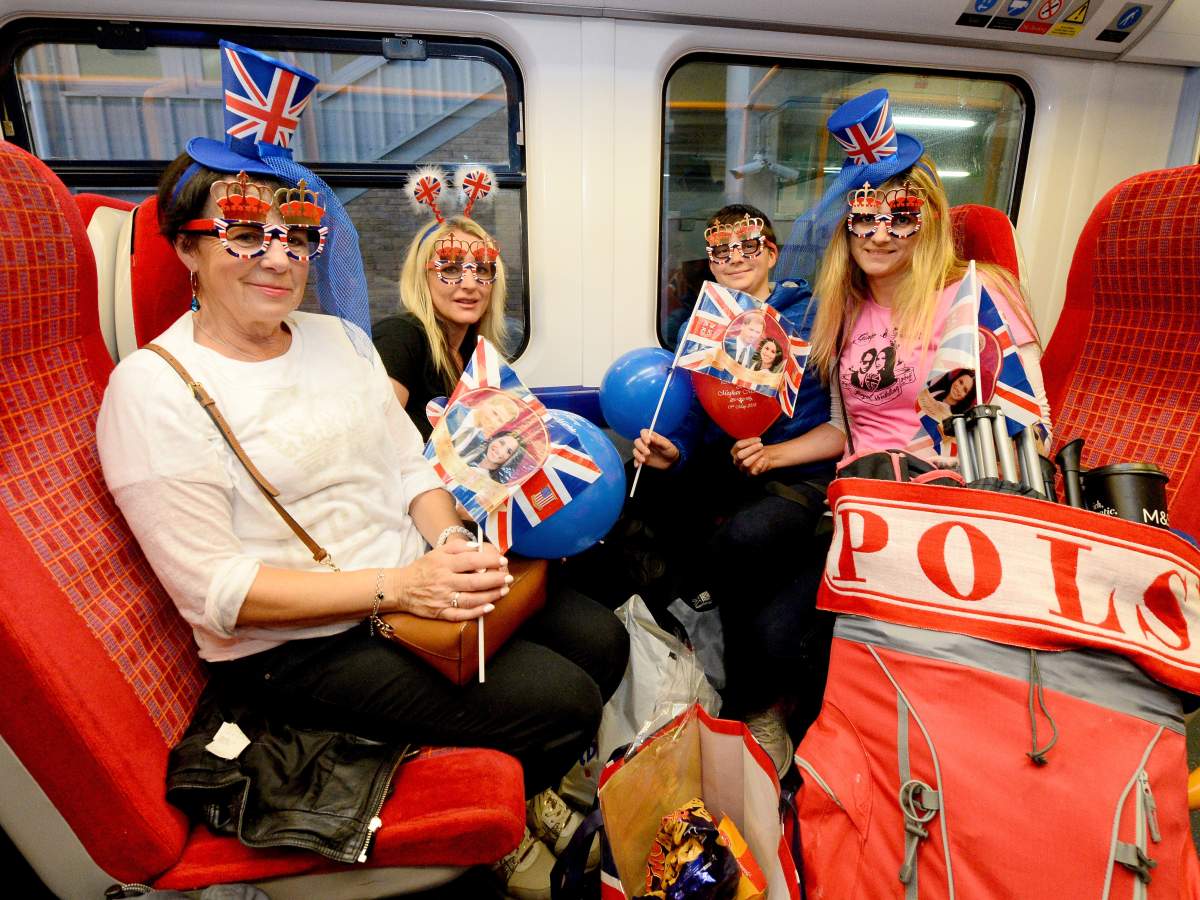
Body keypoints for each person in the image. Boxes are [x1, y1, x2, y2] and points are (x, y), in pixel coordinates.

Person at [95, 44, 625, 900]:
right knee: (561, 699)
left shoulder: (338, 339)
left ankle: (525, 784)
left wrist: (451, 544)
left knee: (605, 636)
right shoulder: (152, 390)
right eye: (242, 232)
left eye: (296, 234)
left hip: (410, 581)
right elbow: (216, 593)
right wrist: (403, 587)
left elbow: (409, 462)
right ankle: (508, 829)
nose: (277, 257)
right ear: (186, 249)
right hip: (302, 645)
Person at [742, 87, 1051, 477]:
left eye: (901, 219)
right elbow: (845, 428)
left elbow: (1035, 426)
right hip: (860, 487)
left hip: (941, 491)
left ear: (928, 226)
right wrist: (770, 455)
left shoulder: (978, 294)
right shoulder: (844, 307)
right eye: (866, 218)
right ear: (847, 228)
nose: (880, 235)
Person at [627, 205, 837, 777]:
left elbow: (843, 418)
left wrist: (778, 451)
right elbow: (693, 419)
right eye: (721, 252)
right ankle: (687, 655)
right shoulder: (704, 325)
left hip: (797, 474)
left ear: (771, 252)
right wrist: (677, 454)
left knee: (746, 542)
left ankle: (753, 701)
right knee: (641, 493)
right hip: (730, 467)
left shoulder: (815, 314)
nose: (735, 259)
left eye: (748, 247)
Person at [374, 220, 509, 441]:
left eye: (482, 269)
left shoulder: (476, 355)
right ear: (422, 278)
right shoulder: (400, 337)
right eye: (451, 269)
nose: (470, 284)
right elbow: (373, 446)